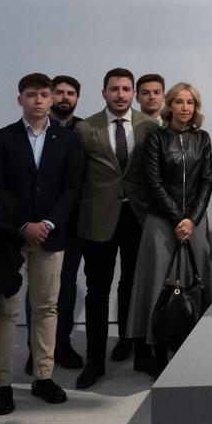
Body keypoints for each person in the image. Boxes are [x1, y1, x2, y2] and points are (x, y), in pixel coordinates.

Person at [0, 73, 82, 414]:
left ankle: (43, 376)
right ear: (19, 100)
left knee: (46, 308)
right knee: (6, 311)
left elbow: (72, 188)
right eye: (31, 95)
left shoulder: (68, 140)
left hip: (51, 236)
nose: (39, 100)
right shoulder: (0, 139)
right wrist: (22, 225)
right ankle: (2, 383)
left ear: (52, 98)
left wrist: (48, 223)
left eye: (45, 94)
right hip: (11, 239)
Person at [74, 68, 160, 388]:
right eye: (114, 89)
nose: (120, 94)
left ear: (134, 92)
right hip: (98, 220)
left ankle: (140, 351)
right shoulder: (86, 128)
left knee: (136, 287)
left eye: (126, 89)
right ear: (104, 92)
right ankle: (95, 359)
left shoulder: (150, 126)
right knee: (98, 291)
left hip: (138, 218)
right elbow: (77, 177)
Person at [127, 82, 212, 375]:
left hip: (194, 223)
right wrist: (176, 218)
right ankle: (157, 350)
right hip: (161, 224)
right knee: (158, 287)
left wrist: (191, 218)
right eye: (179, 102)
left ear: (196, 107)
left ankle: (191, 346)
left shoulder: (203, 138)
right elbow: (152, 183)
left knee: (196, 282)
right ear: (170, 106)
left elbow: (207, 181)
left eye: (190, 102)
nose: (184, 107)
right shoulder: (156, 138)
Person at [43, 74, 85, 370]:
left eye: (71, 93)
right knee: (41, 289)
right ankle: (39, 347)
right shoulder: (34, 130)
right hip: (40, 223)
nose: (65, 98)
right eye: (59, 92)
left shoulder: (85, 130)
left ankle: (62, 342)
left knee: (67, 284)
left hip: (75, 222)